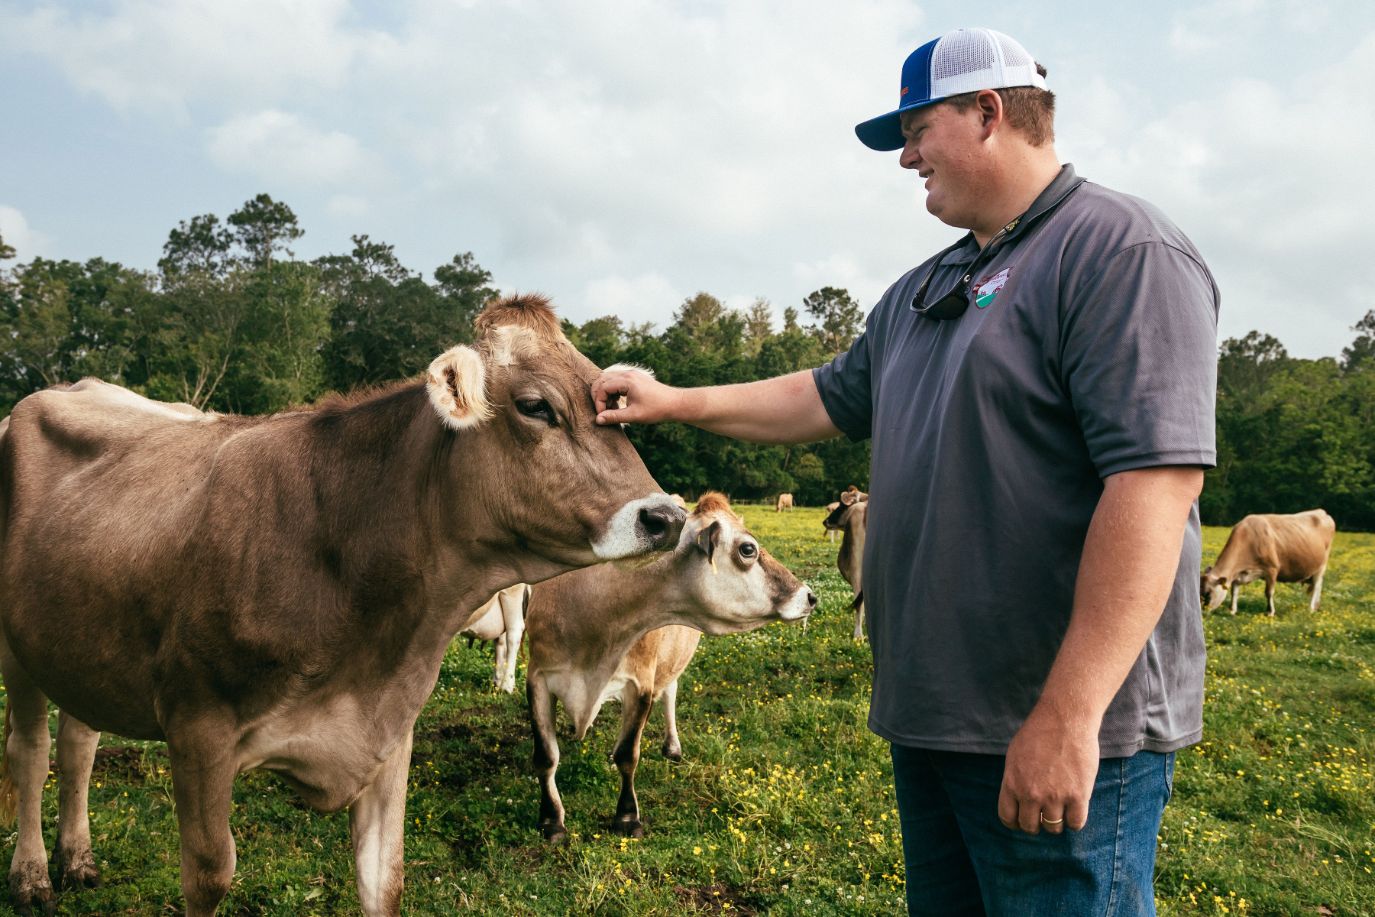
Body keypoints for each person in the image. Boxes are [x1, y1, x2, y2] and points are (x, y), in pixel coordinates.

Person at [592, 26, 1218, 916]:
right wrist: (675, 398)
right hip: (936, 720)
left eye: (915, 130)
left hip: (1052, 724)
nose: (905, 158)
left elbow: (1154, 491)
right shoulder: (929, 286)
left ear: (988, 114)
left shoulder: (1118, 253)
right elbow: (822, 395)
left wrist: (1068, 715)